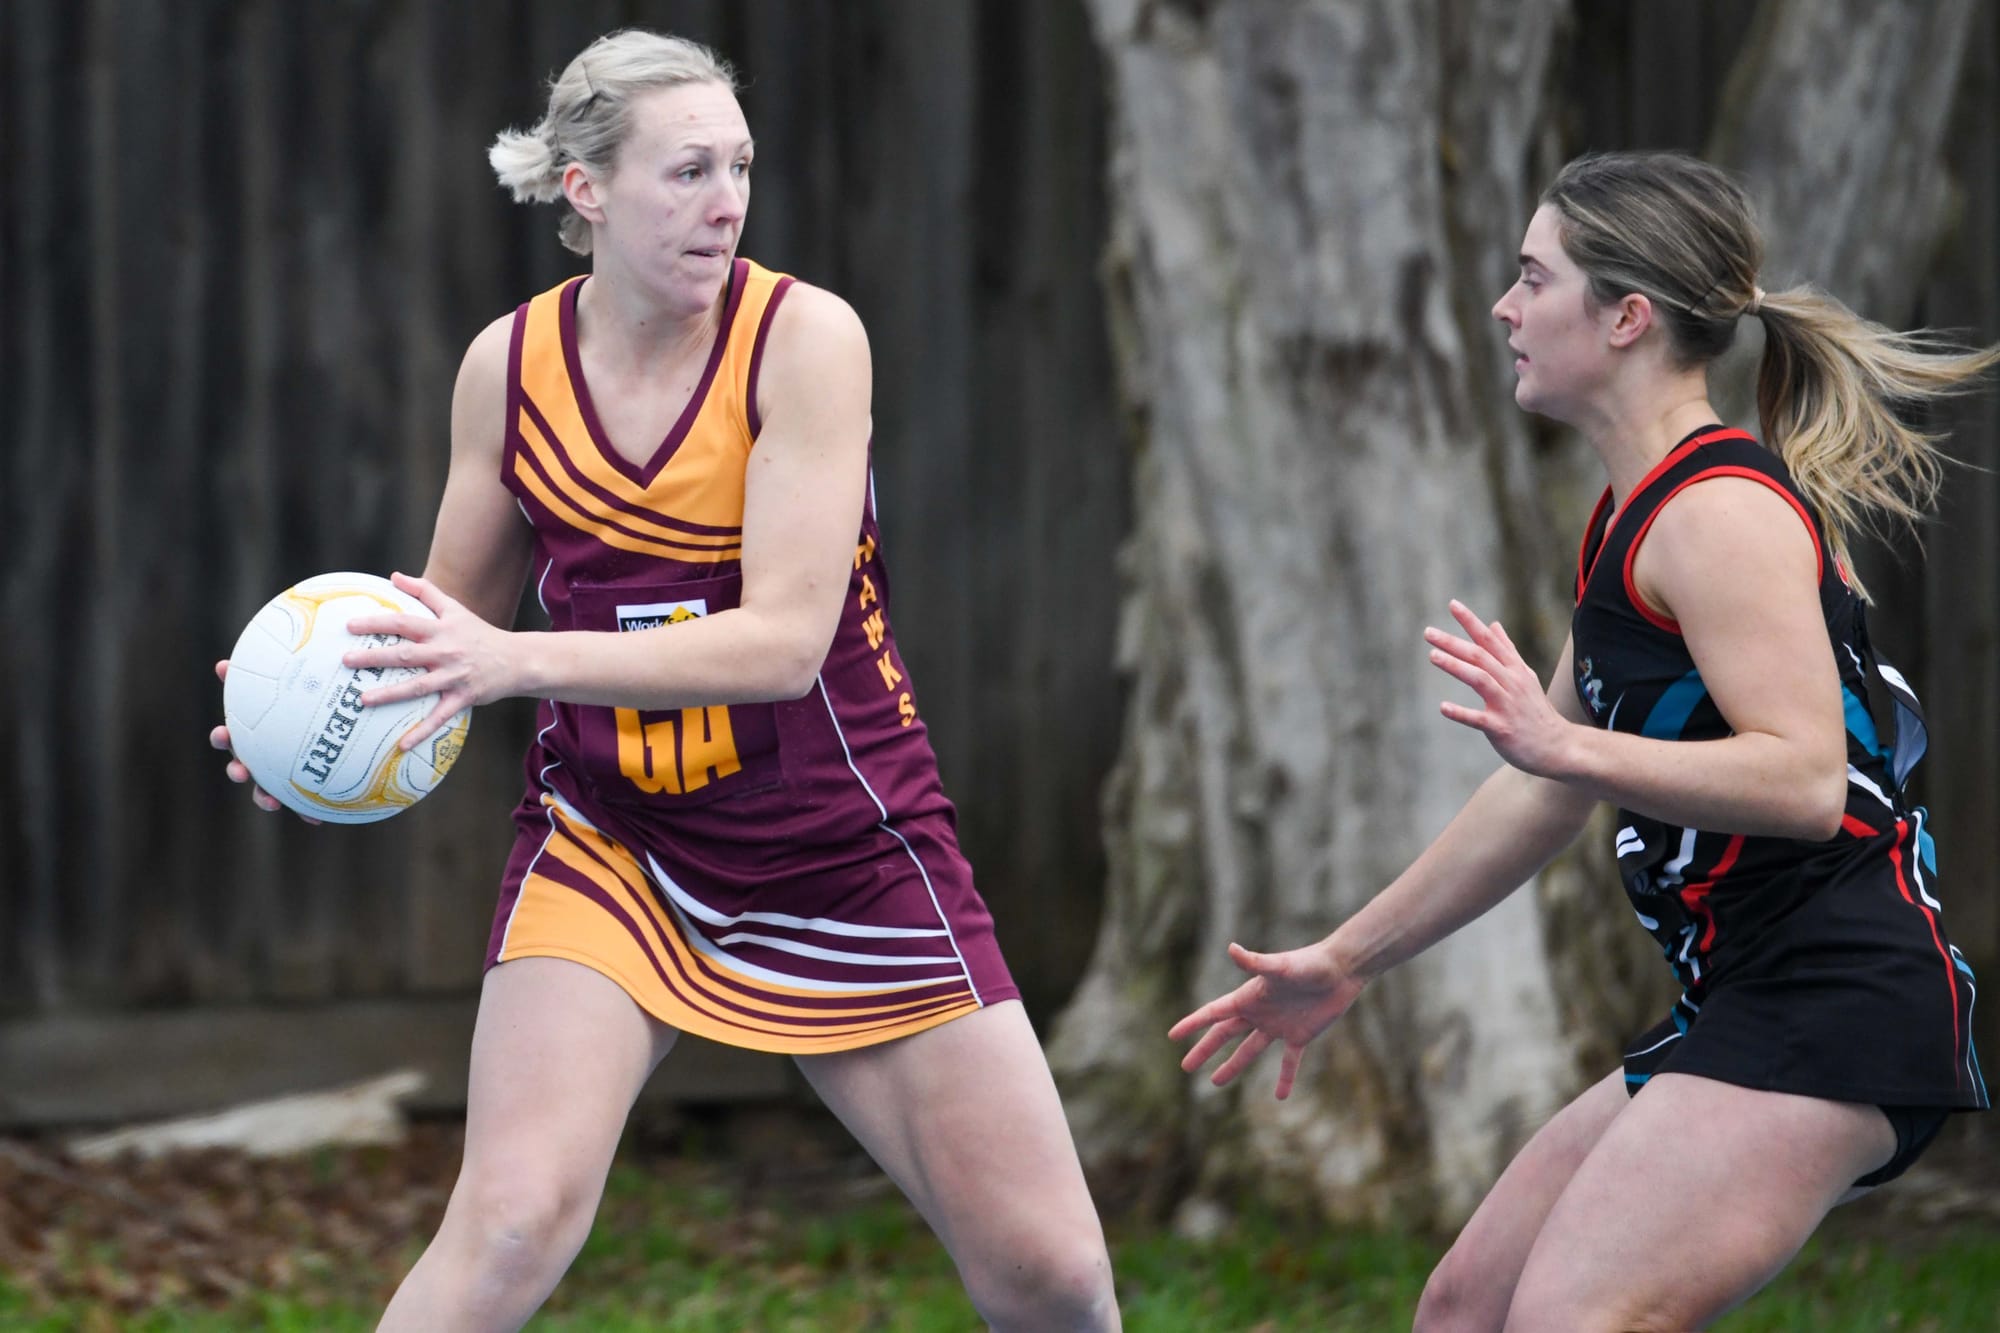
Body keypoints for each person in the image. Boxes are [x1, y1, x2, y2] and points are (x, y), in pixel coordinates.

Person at [210, 29, 1118, 1332]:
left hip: (840, 848)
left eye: (740, 167)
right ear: (586, 190)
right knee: (509, 1223)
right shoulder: (509, 368)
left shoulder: (805, 340)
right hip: (612, 842)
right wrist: (310, 728)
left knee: (1054, 1275)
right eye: (689, 170)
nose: (727, 201)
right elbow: (447, 633)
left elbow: (783, 645)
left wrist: (514, 661)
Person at [1170, 150, 1994, 1332]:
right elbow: (1539, 790)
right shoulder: (1631, 515)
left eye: (1530, 277)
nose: (1502, 308)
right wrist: (1347, 959)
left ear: (1624, 317)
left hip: (1841, 999)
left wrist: (1567, 752)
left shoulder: (1716, 513)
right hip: (1739, 993)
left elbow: (1804, 778)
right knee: (1463, 1309)